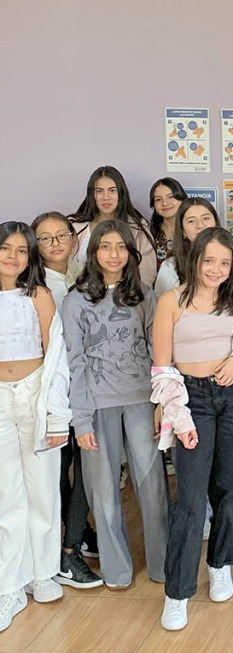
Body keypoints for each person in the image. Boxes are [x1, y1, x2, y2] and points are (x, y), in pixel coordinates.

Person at [154, 228, 233, 631]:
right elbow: (162, 367)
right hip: (190, 400)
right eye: (209, 260)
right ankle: (177, 592)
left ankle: (220, 564)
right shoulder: (171, 300)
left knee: (230, 489)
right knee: (191, 498)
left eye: (224, 263)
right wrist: (177, 417)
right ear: (195, 259)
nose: (216, 269)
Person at [62, 220, 168, 589]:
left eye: (121, 246)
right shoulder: (75, 301)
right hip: (96, 405)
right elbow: (74, 362)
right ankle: (116, 570)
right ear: (93, 252)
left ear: (131, 253)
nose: (114, 254)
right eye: (105, 246)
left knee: (152, 486)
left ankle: (162, 565)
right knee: (103, 491)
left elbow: (159, 352)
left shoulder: (145, 295)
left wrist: (162, 403)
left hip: (141, 399)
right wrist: (81, 420)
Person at [0, 221, 71, 632]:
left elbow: (57, 356)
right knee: (6, 493)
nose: (12, 257)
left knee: (42, 487)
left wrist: (56, 413)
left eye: (21, 250)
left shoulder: (39, 295)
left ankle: (42, 572)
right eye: (5, 248)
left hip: (34, 394)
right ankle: (9, 585)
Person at [32, 212, 101, 589]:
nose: (55, 243)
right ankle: (68, 548)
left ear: (75, 240)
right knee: (59, 471)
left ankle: (75, 539)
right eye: (45, 238)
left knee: (88, 469)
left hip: (88, 388)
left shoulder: (86, 276)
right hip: (50, 391)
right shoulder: (34, 285)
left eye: (62, 235)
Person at [68, 166, 158, 287]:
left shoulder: (137, 228)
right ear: (92, 195)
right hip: (80, 294)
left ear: (121, 193)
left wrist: (132, 294)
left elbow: (146, 273)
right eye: (99, 191)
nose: (106, 197)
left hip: (125, 296)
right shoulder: (74, 227)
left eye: (112, 190)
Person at [154, 198, 220, 297]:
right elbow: (160, 304)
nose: (200, 225)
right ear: (183, 231)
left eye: (206, 218)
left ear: (216, 223)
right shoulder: (170, 267)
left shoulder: (232, 260)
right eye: (191, 221)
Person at [149, 178, 187, 268]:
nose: (165, 203)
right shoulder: (149, 233)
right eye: (158, 199)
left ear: (181, 199)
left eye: (170, 197)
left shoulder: (192, 230)